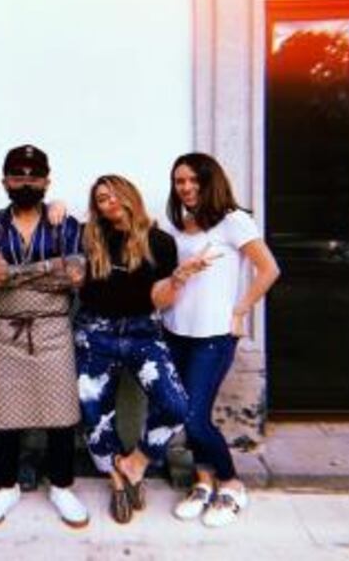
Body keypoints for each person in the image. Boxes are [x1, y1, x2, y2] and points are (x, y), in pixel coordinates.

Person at [75, 175, 206, 524]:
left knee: (177, 405)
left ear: (131, 196)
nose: (110, 202)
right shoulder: (88, 237)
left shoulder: (159, 241)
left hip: (142, 333)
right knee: (94, 412)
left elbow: (161, 300)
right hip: (95, 333)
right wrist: (56, 207)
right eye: (102, 198)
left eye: (116, 194)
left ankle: (135, 463)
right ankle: (115, 478)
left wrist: (177, 279)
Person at [160, 153, 281, 527]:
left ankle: (231, 483)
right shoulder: (180, 224)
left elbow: (269, 269)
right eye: (180, 181)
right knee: (184, 413)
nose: (186, 187)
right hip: (175, 331)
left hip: (213, 336)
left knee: (194, 418)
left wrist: (240, 310)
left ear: (210, 181)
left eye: (194, 180)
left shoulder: (234, 221)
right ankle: (203, 480)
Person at [0, 144, 89, 529]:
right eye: (17, 176)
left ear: (46, 181)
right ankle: (5, 486)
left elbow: (75, 274)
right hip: (4, 328)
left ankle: (62, 485)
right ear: (4, 181)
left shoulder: (66, 225)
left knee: (61, 412)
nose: (26, 183)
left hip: (53, 327)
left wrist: (13, 274)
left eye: (34, 177)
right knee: (5, 412)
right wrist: (49, 269)